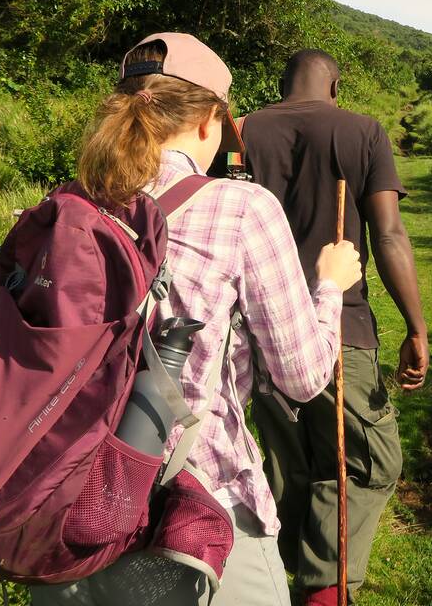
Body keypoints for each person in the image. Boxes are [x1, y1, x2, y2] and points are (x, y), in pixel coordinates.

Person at [30, 34, 362, 606]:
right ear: (211, 121)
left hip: (64, 496)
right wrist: (328, 285)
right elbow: (303, 377)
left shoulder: (69, 205)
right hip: (192, 500)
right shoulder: (241, 208)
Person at [243, 49, 429, 606]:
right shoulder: (363, 131)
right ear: (336, 86)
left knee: (288, 465)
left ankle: (285, 581)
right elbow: (390, 235)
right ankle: (323, 592)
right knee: (369, 463)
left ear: (281, 85)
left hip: (261, 329)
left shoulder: (241, 131)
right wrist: (415, 325)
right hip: (341, 327)